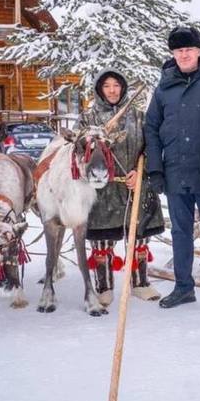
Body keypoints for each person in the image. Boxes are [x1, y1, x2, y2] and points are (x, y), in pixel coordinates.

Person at [144, 26, 200, 311]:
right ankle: (183, 288)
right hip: (175, 173)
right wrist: (156, 169)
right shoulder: (163, 87)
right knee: (180, 233)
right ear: (172, 53)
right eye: (178, 50)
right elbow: (152, 128)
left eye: (189, 49)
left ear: (199, 51)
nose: (183, 54)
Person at [79, 69, 165, 306]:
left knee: (139, 239)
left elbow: (151, 147)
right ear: (99, 89)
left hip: (135, 185)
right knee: (102, 242)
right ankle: (104, 287)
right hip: (102, 190)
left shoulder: (138, 116)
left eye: (116, 85)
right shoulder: (88, 118)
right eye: (107, 86)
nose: (112, 90)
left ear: (123, 88)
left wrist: (140, 171)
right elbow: (78, 152)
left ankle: (140, 284)